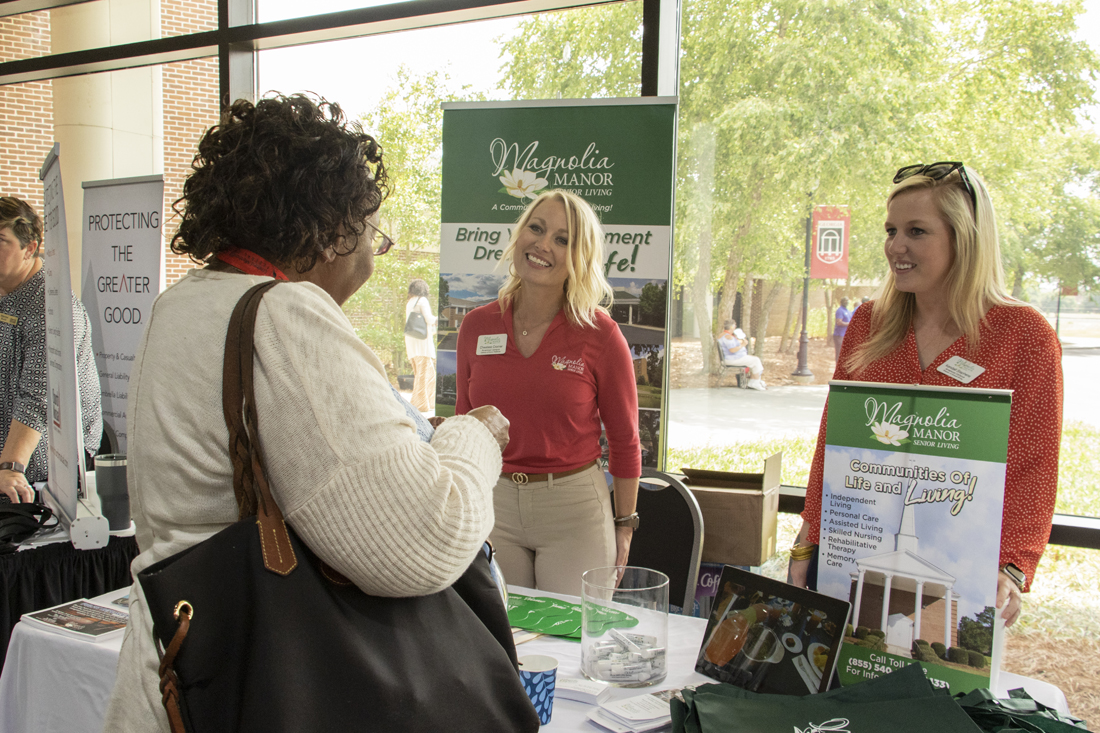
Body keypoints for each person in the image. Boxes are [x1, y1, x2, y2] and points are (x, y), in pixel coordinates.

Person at [104, 95, 512, 729]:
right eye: (373, 232)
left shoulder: (181, 303)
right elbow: (427, 538)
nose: (375, 259)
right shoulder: (285, 314)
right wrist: (472, 437)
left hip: (187, 666)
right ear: (328, 231)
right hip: (270, 681)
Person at [788, 162, 1062, 628]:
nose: (897, 246)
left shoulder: (1023, 334)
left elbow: (1034, 464)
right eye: (891, 230)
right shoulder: (868, 324)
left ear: (964, 238)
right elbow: (833, 442)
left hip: (959, 562)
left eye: (917, 231)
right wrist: (807, 539)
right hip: (853, 549)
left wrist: (1013, 566)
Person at [454, 189, 641, 597]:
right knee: (501, 642)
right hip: (494, 503)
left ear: (581, 257)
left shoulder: (601, 335)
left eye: (562, 239)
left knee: (575, 640)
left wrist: (624, 524)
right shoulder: (475, 326)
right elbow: (464, 426)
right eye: (535, 229)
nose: (542, 245)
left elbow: (626, 441)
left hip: (573, 510)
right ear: (518, 235)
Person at [0, 196, 101, 503]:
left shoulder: (52, 309)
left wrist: (10, 467)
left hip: (46, 472)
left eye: (1, 241)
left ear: (29, 248)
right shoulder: (7, 289)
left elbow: (40, 398)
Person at [405, 278, 437, 412]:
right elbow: (429, 319)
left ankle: (428, 402)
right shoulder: (422, 301)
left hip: (412, 342)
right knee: (424, 374)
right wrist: (440, 318)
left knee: (425, 373)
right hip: (422, 343)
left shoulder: (410, 302)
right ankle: (419, 404)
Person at [717, 319, 766, 391]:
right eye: (734, 325)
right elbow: (732, 350)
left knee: (753, 360)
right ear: (731, 327)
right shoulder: (728, 337)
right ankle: (755, 382)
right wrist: (743, 345)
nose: (735, 327)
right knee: (756, 360)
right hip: (732, 359)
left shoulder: (722, 335)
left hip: (732, 358)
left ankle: (755, 380)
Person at [832, 296, 852, 361]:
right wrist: (850, 324)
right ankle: (837, 367)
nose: (846, 302)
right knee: (839, 352)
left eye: (847, 301)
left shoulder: (848, 311)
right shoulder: (840, 310)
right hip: (839, 335)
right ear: (841, 302)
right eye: (844, 301)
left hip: (846, 335)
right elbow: (839, 322)